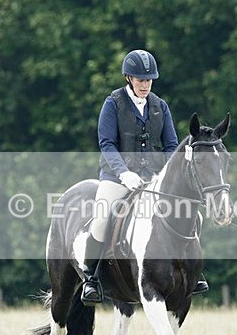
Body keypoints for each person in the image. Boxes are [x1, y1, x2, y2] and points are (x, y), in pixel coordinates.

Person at [80, 49, 209, 305]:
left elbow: (172, 145)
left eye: (149, 80)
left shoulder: (160, 106)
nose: (145, 85)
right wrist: (123, 173)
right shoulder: (113, 103)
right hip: (116, 176)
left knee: (192, 213)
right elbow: (106, 143)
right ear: (129, 78)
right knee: (102, 215)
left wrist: (169, 175)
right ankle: (91, 278)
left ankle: (193, 270)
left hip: (152, 178)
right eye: (140, 80)